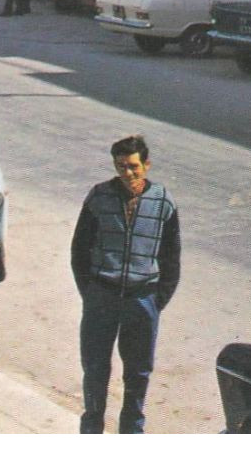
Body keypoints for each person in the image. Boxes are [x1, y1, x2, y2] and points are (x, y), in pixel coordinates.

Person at [70, 135, 181, 435]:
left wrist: (156, 301)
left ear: (146, 165)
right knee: (95, 369)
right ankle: (92, 430)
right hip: (102, 297)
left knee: (138, 373)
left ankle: (131, 433)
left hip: (142, 301)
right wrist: (92, 292)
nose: (127, 173)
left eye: (133, 166)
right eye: (121, 166)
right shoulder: (99, 197)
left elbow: (171, 259)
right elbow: (80, 250)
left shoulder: (163, 202)